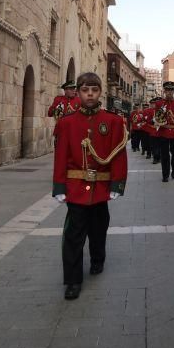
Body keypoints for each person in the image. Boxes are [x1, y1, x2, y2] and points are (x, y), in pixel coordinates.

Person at [52, 72, 128, 300]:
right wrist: (59, 186)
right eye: (85, 90)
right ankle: (73, 280)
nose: (90, 94)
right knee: (74, 235)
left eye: (94, 90)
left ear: (100, 93)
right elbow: (61, 156)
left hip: (102, 189)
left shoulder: (113, 121)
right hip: (76, 188)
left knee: (98, 229)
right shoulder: (67, 123)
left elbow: (118, 155)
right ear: (79, 93)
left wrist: (117, 184)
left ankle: (98, 259)